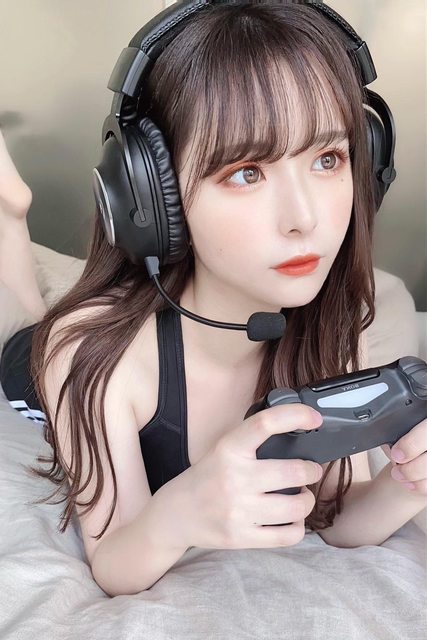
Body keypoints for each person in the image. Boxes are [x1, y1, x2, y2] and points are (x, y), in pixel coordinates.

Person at [0, 1, 426, 598]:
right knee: (22, 317)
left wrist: (406, 486)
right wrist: (180, 513)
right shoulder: (92, 354)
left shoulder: (330, 329)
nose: (305, 219)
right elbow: (115, 563)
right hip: (39, 361)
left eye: (327, 159)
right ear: (153, 197)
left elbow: (336, 515)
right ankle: (9, 214)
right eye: (247, 172)